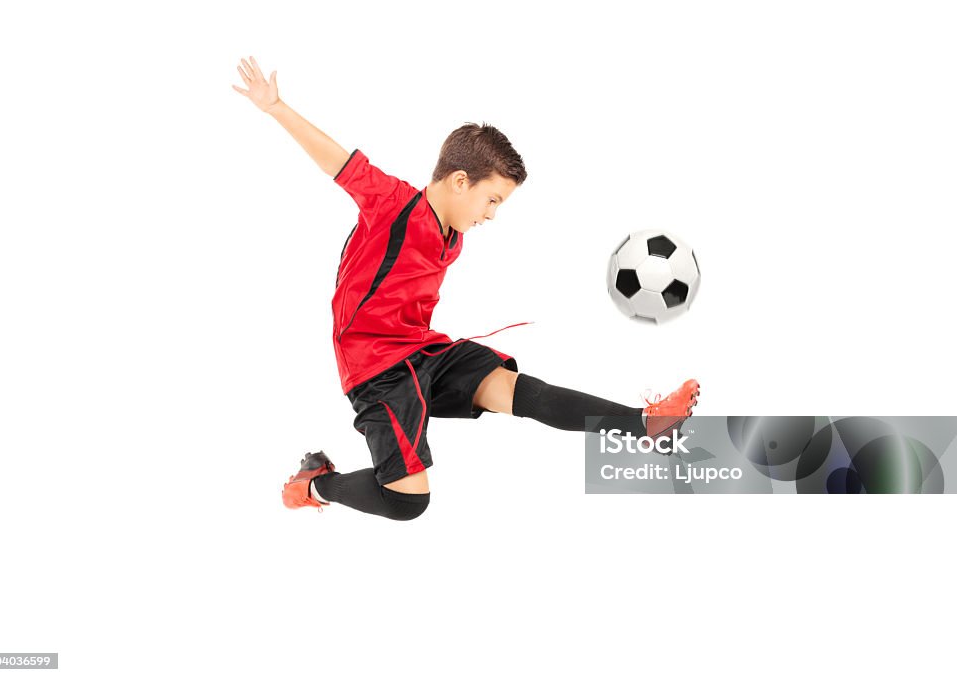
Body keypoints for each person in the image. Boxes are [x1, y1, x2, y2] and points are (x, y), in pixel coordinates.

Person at [232, 56, 700, 521]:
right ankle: (313, 485)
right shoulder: (395, 205)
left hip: (423, 353)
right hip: (377, 368)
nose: (492, 214)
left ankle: (645, 426)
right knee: (407, 501)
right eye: (491, 199)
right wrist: (276, 107)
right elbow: (339, 163)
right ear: (460, 181)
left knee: (521, 392)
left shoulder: (452, 237)